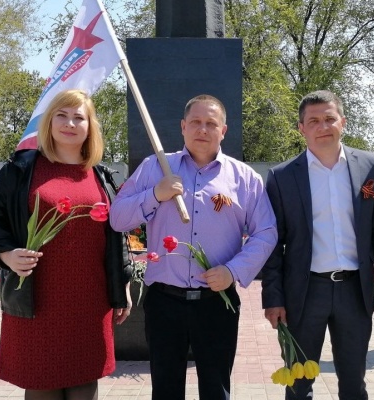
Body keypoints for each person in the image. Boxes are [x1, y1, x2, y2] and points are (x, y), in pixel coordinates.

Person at [109, 94, 278, 400]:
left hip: (217, 302)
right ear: (183, 127)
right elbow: (117, 218)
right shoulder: (154, 167)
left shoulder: (244, 178)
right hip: (164, 302)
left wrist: (233, 271)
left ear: (223, 131)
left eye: (211, 123)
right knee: (165, 390)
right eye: (196, 122)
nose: (203, 129)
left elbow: (266, 232)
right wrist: (154, 195)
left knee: (216, 390)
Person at [0, 89, 130, 400]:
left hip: (90, 302)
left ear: (90, 126)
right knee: (41, 383)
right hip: (36, 301)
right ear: (49, 121)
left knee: (85, 383)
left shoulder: (100, 175)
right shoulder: (21, 169)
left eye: (79, 117)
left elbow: (116, 236)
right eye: (62, 115)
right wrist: (6, 253)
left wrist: (122, 285)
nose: (69, 123)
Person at [262, 90, 374, 400]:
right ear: (301, 128)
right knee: (298, 385)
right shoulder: (282, 177)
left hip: (355, 292)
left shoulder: (368, 165)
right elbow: (272, 244)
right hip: (304, 294)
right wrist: (273, 298)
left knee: (354, 384)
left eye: (329, 118)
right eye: (313, 121)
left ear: (343, 122)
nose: (322, 126)